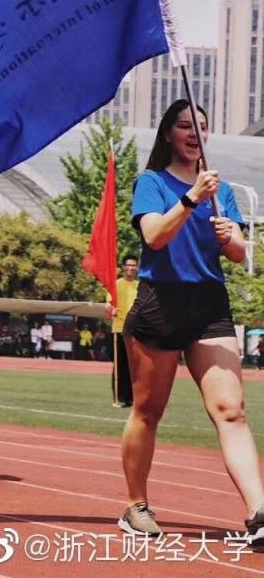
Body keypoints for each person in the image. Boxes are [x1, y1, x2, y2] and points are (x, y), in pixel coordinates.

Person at [119, 99, 262, 541]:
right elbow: (154, 237)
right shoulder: (152, 182)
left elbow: (237, 254)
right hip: (160, 304)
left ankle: (259, 513)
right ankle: (136, 506)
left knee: (231, 410)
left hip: (208, 305)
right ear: (168, 134)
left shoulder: (223, 190)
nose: (193, 134)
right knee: (148, 411)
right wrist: (191, 198)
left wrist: (231, 237)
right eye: (184, 126)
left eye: (200, 126)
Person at [112, 256, 139, 408]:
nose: (131, 268)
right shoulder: (116, 285)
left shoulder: (140, 286)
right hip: (119, 328)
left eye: (134, 265)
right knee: (120, 365)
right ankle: (120, 397)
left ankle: (132, 398)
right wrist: (111, 309)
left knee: (134, 366)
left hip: (135, 331)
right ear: (124, 267)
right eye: (129, 265)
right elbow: (108, 305)